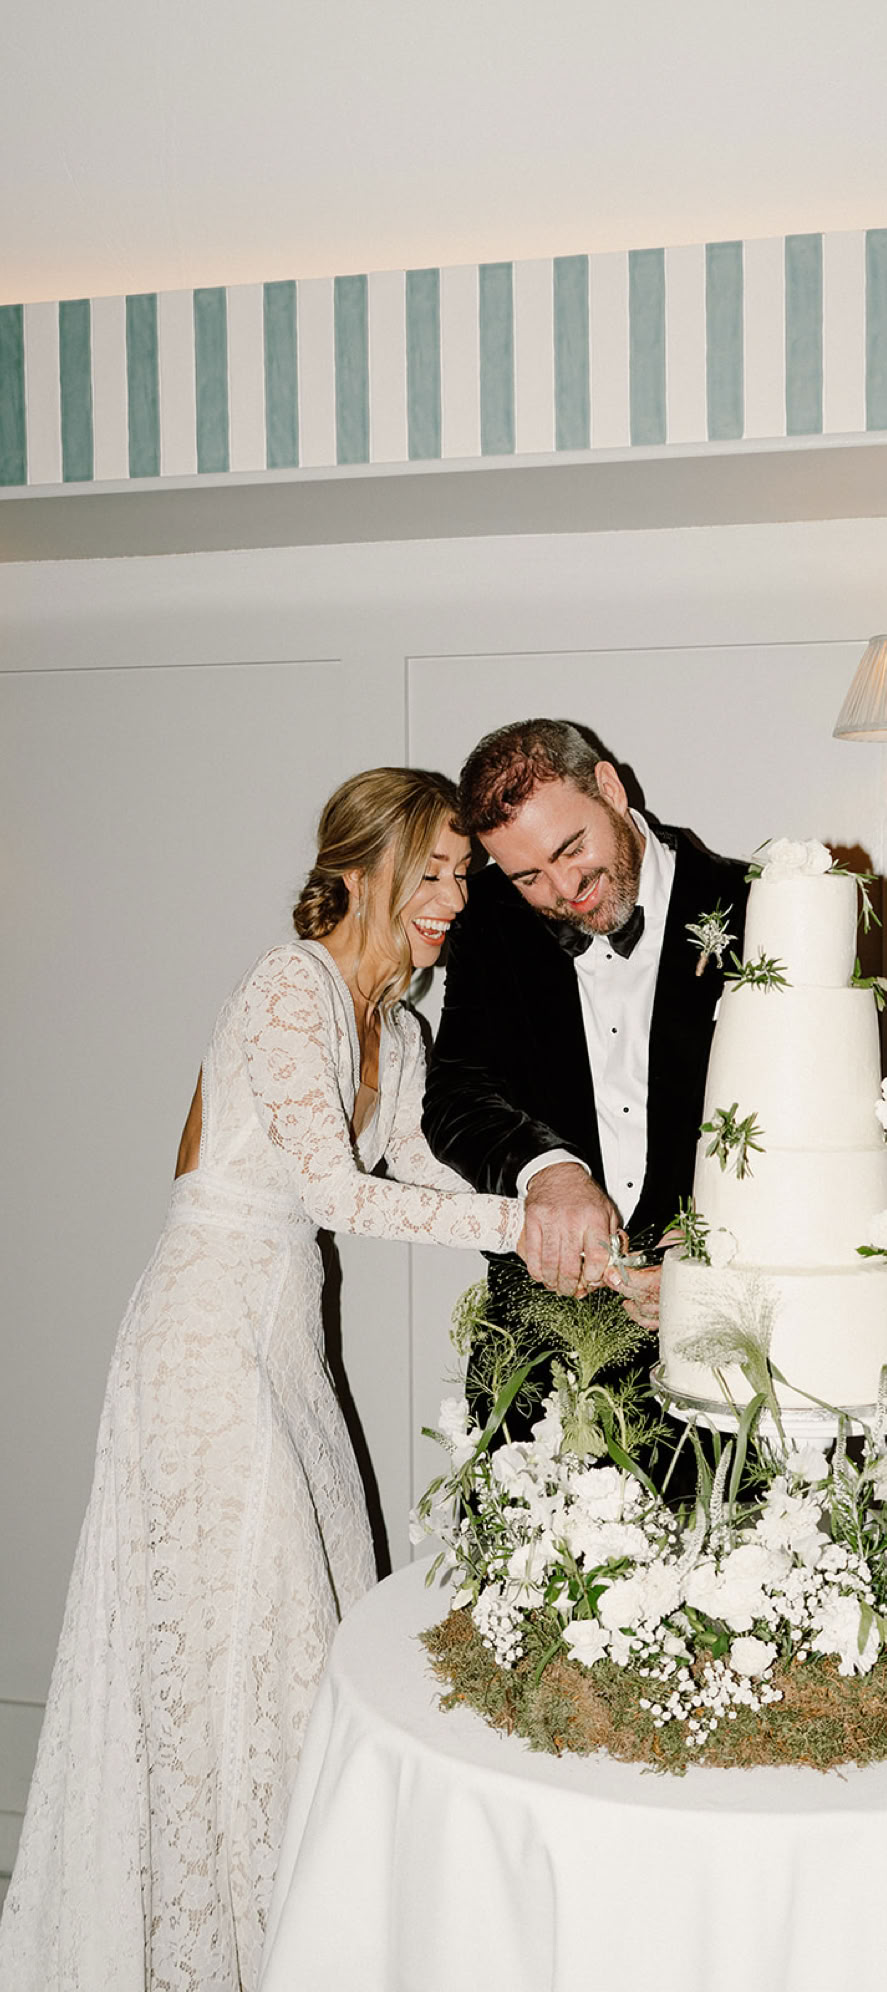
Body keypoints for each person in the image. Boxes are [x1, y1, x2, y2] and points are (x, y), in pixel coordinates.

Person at [0, 768, 523, 1992]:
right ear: (354, 871)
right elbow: (336, 1196)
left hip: (286, 1340)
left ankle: (302, 1923)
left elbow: (415, 1175)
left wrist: (559, 1228)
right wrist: (515, 1229)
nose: (454, 900)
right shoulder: (288, 989)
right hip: (202, 1332)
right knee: (239, 1629)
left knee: (318, 1615)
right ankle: (216, 1943)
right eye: (433, 874)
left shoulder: (398, 1024)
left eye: (463, 877)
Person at [422, 718, 748, 1415]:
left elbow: (804, 1123)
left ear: (610, 786)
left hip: (723, 1366)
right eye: (529, 875)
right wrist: (549, 1172)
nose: (565, 889)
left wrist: (713, 1246)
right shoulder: (491, 926)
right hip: (538, 1365)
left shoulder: (756, 907)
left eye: (572, 849)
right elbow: (455, 1095)